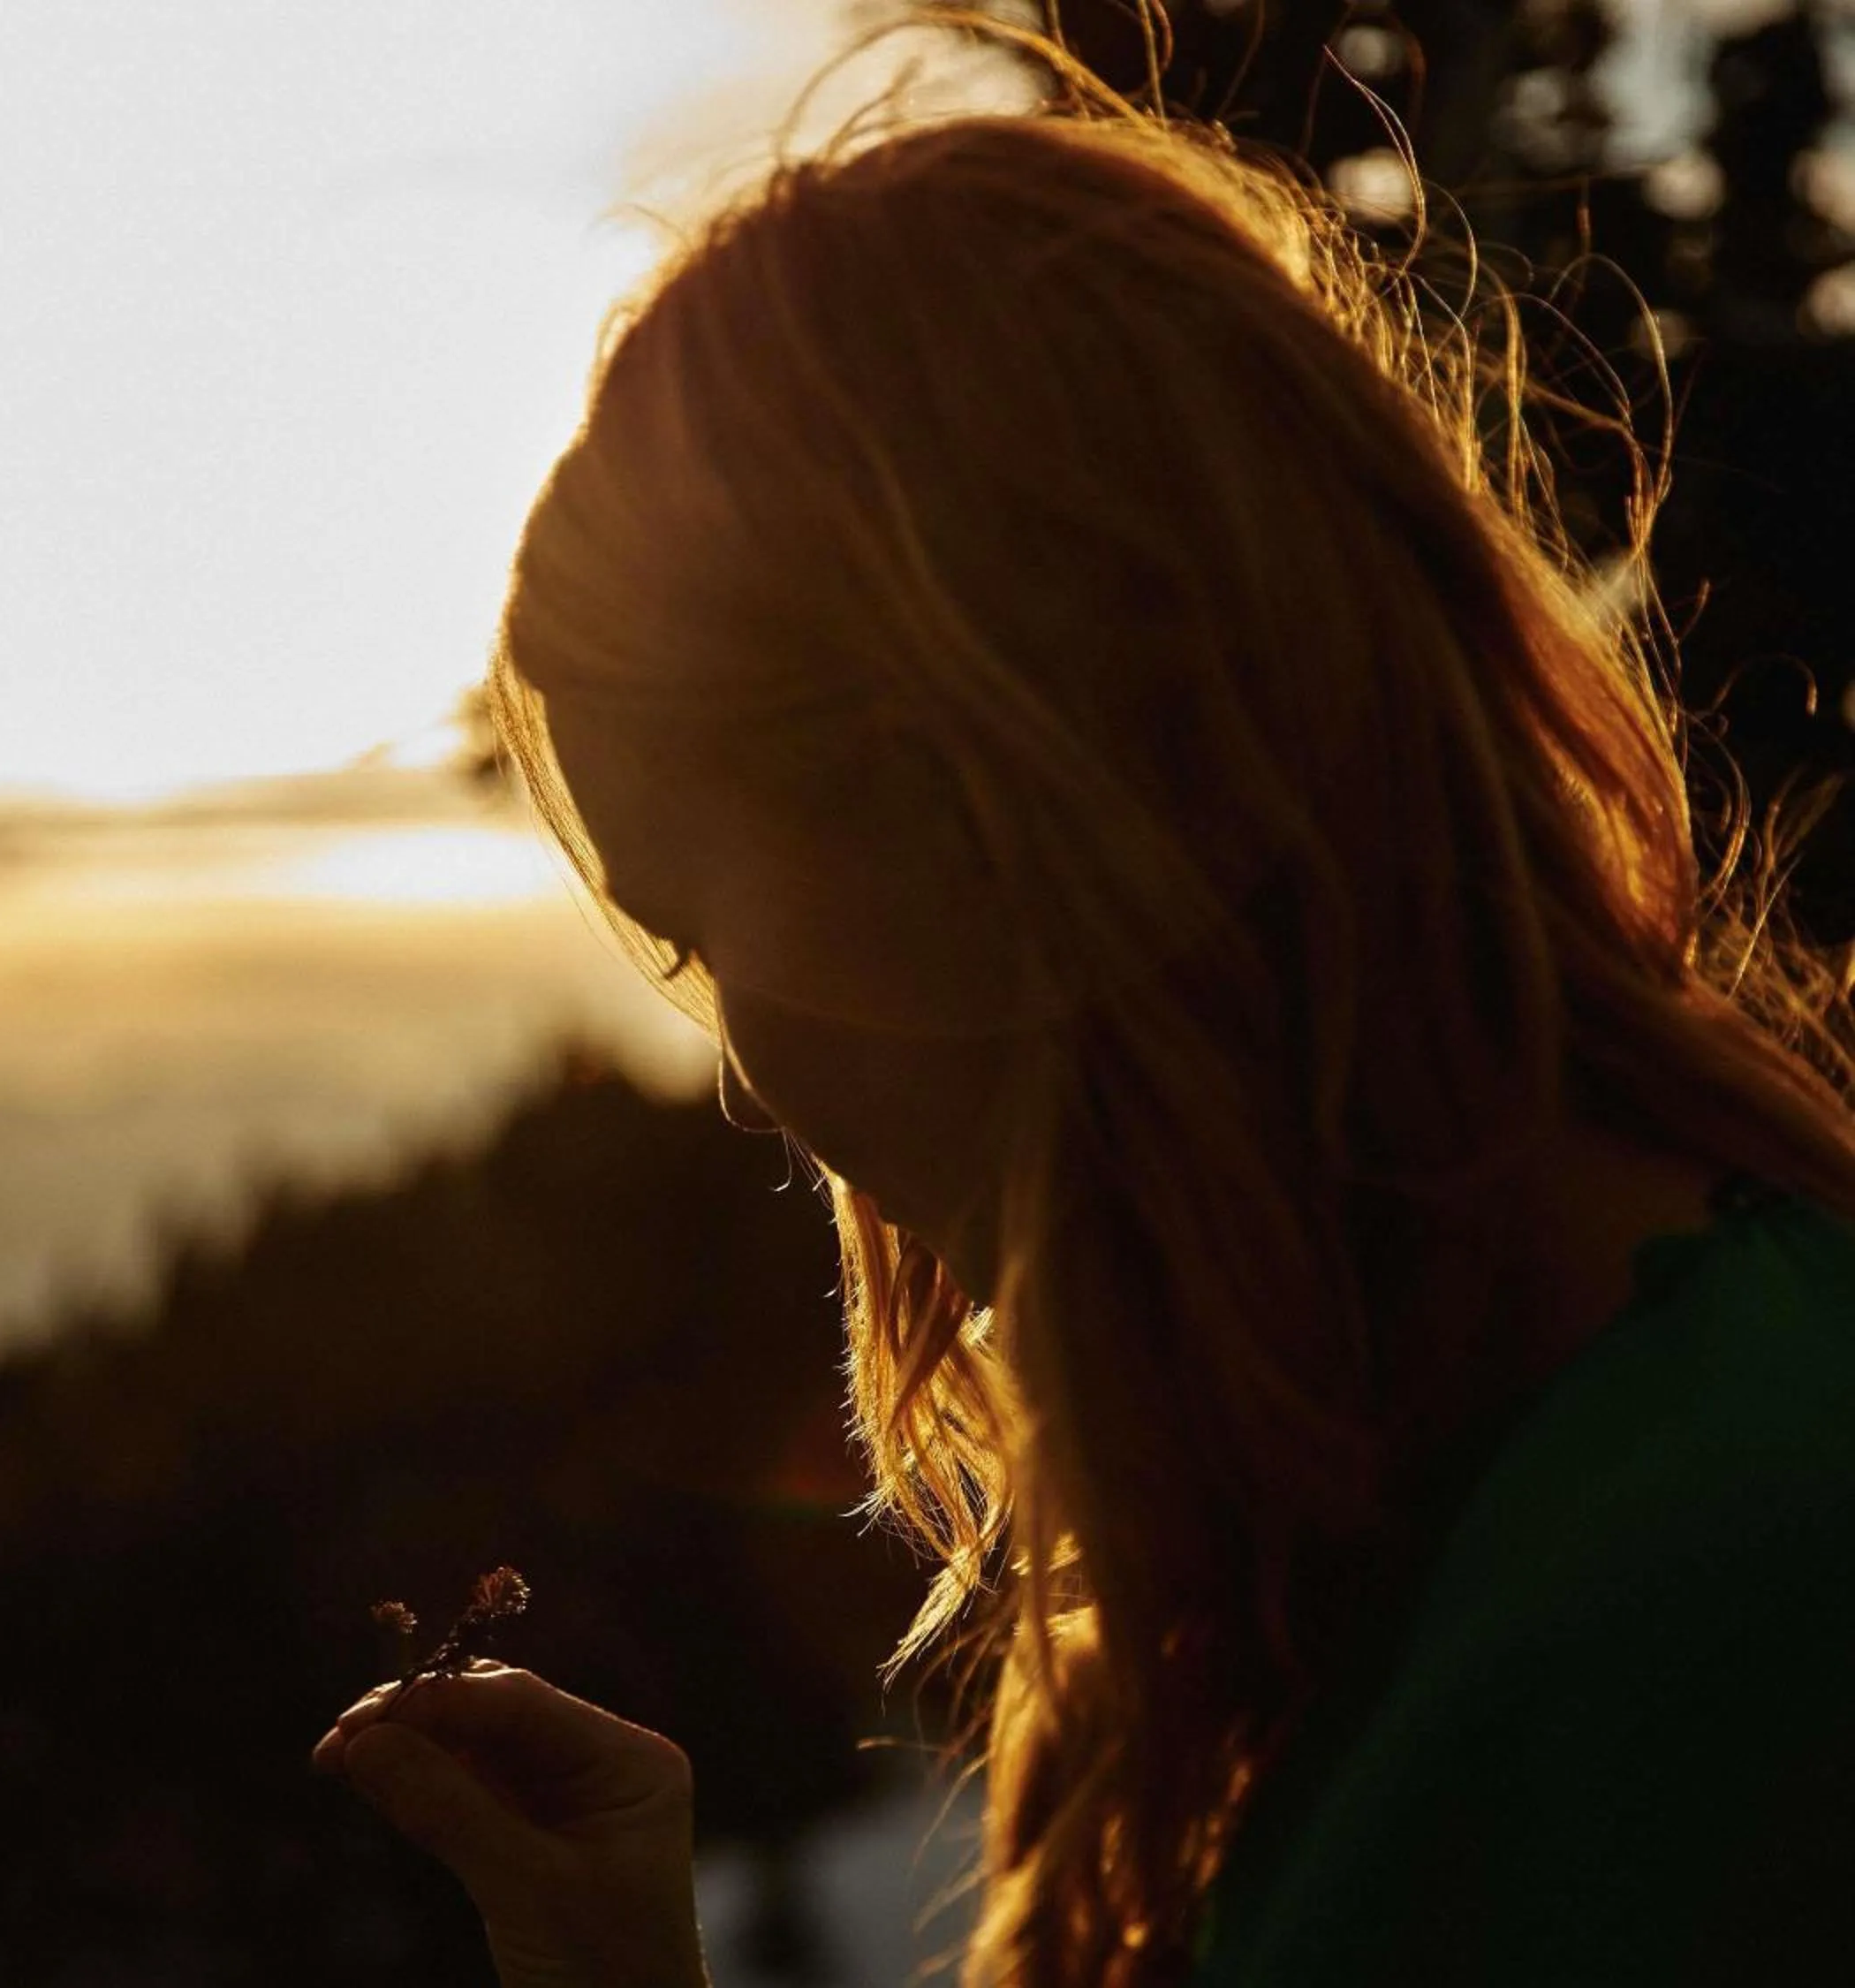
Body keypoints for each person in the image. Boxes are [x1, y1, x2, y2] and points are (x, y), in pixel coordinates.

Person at [313, 32, 1855, 1988]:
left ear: (1024, 817)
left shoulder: (1732, 1587)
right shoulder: (1415, 1533)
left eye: (704, 926)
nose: (757, 1092)